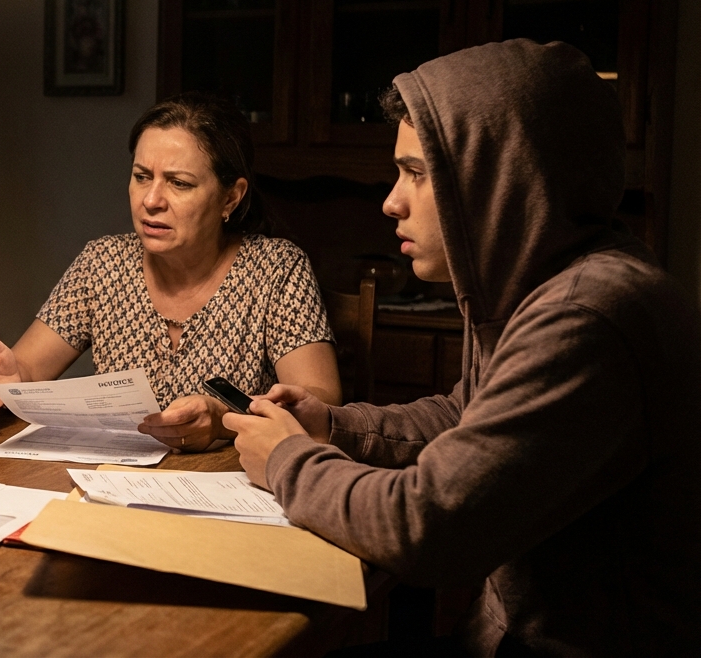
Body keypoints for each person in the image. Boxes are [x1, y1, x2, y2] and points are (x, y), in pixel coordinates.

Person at [226, 40, 701, 654]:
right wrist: (334, 427)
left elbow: (426, 527)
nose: (390, 201)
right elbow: (466, 417)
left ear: (500, 178)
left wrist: (288, 462)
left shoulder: (586, 317)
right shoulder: (548, 285)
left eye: (417, 173)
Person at [0, 93, 341, 452]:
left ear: (231, 197)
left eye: (179, 183)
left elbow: (319, 406)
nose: (151, 200)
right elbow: (28, 369)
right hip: (113, 483)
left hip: (231, 490)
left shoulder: (275, 269)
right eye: (142, 176)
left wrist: (223, 419)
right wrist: (12, 382)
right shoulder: (103, 263)